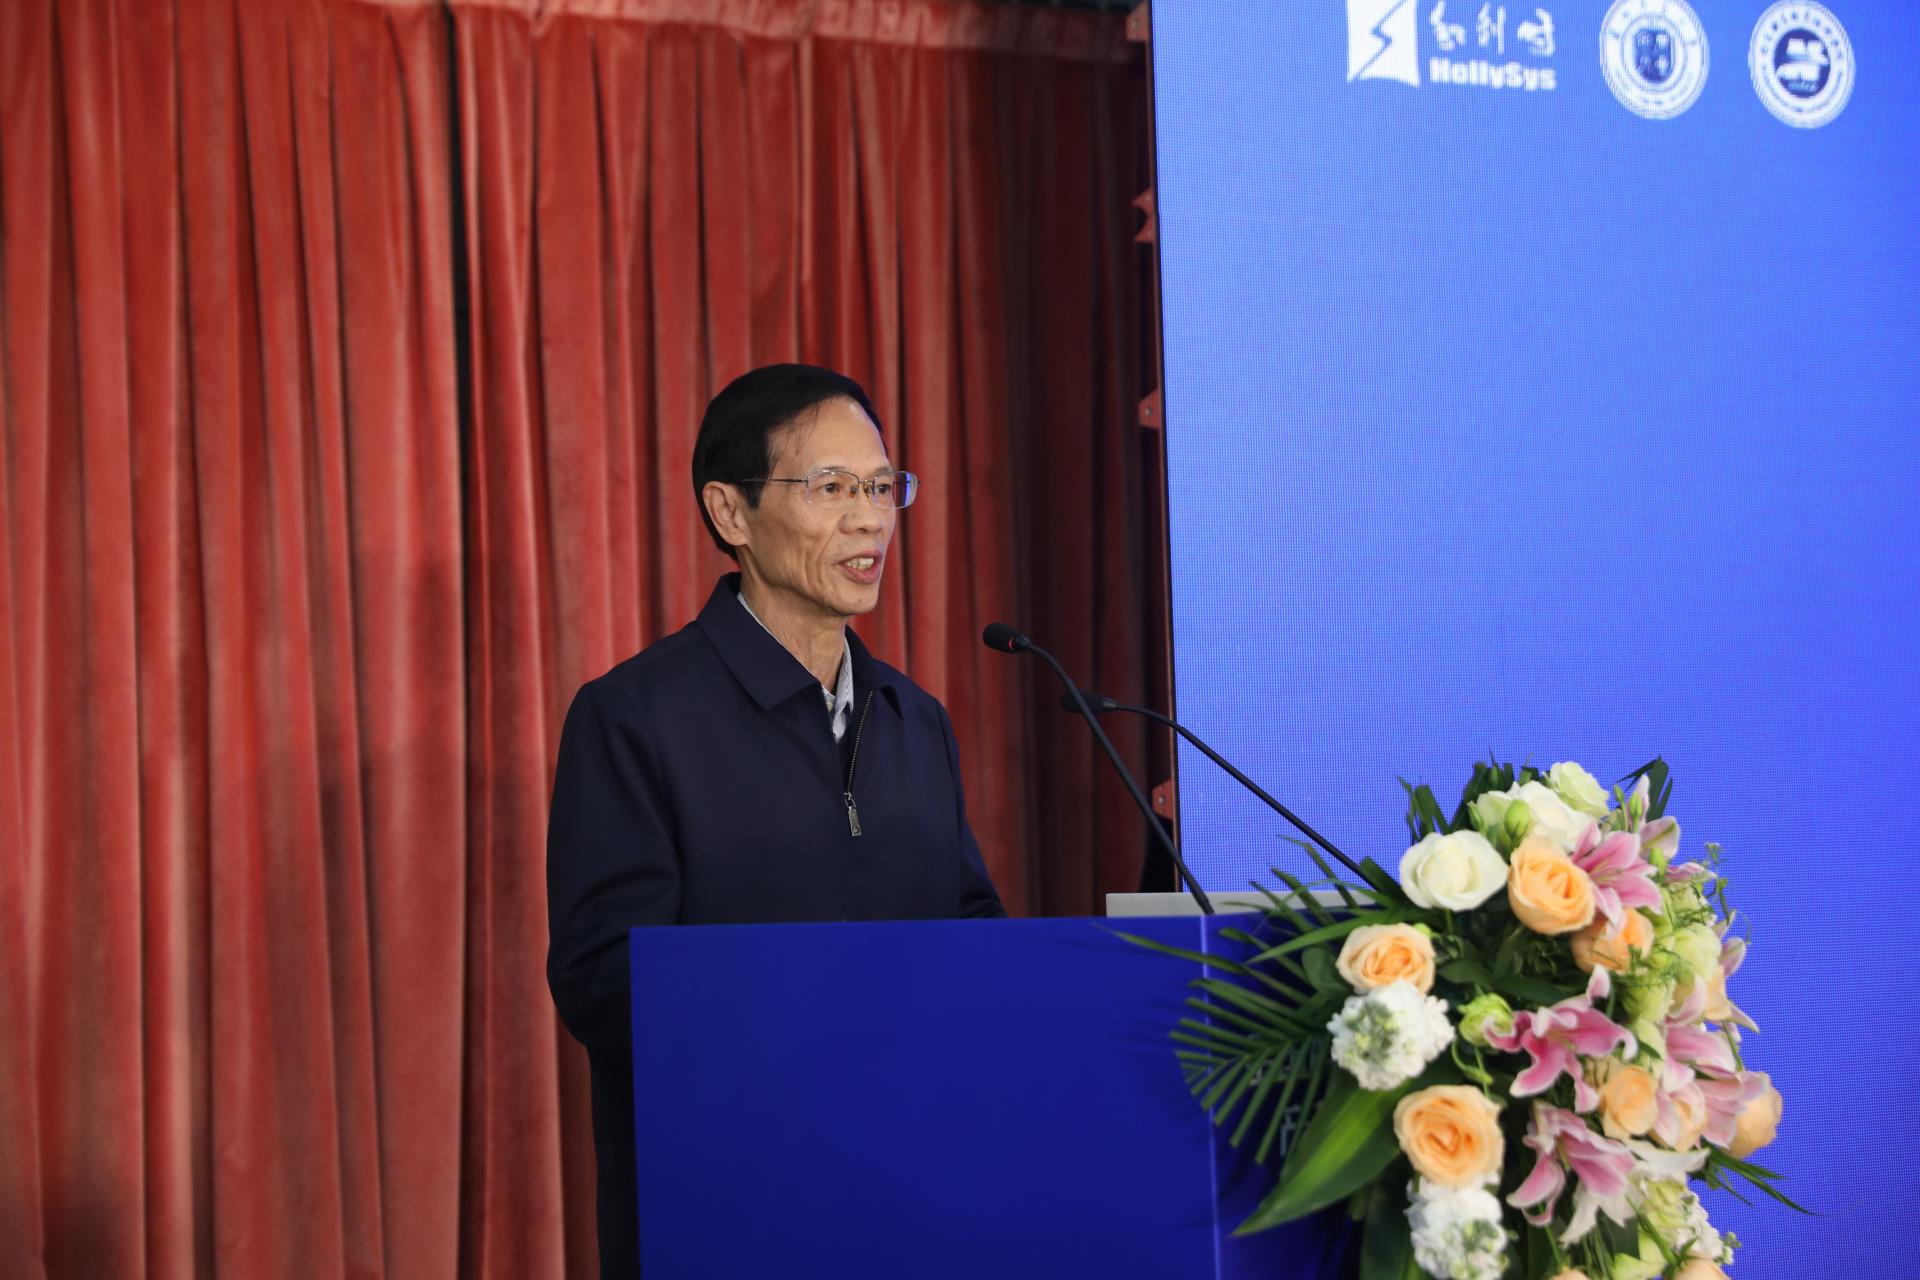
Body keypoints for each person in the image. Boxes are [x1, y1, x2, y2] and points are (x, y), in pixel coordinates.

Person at [546, 363, 1005, 1277]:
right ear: (731, 512)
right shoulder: (635, 718)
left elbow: (971, 933)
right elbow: (603, 984)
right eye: (832, 488)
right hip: (727, 1207)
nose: (870, 519)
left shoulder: (913, 719)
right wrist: (819, 1017)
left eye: (881, 487)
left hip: (913, 1195)